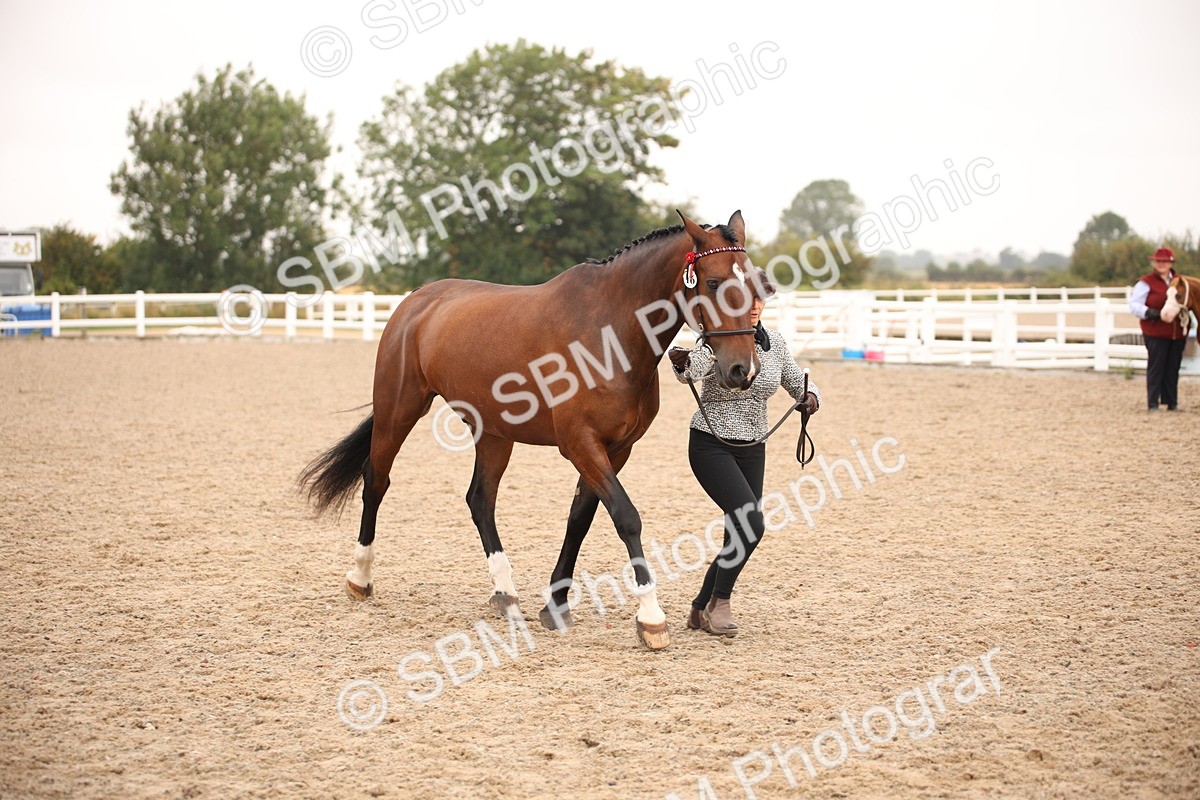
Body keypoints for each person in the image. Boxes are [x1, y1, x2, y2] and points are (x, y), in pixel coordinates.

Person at [667, 269, 821, 637]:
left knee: (737, 529)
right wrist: (681, 363)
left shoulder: (776, 344)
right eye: (746, 297)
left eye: (759, 298)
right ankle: (721, 602)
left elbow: (795, 378)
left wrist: (810, 395)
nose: (753, 306)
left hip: (754, 446)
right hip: (711, 443)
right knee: (751, 524)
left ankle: (700, 606)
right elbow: (691, 371)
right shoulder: (716, 338)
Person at [1129, 247, 1190, 411]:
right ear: (1154, 262)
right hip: (1155, 331)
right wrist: (1148, 312)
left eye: (1165, 261)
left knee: (1173, 366)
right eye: (1158, 261)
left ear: (1171, 262)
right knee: (1157, 366)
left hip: (1177, 332)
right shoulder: (1145, 282)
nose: (1161, 264)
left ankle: (1172, 401)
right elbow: (1134, 304)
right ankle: (1153, 402)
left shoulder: (1180, 281)